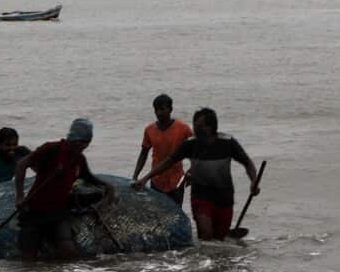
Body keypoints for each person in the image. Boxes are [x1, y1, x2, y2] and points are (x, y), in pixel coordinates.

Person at [133, 108, 259, 241]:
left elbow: (248, 163)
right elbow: (168, 162)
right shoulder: (190, 144)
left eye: (199, 126)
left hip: (224, 197)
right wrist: (145, 178)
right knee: (206, 235)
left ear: (211, 127)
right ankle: (203, 261)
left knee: (220, 239)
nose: (195, 129)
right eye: (195, 125)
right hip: (200, 196)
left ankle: (221, 261)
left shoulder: (227, 142)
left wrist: (254, 182)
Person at [13, 118, 116, 260]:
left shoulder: (79, 159)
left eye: (87, 142)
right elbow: (21, 165)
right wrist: (20, 196)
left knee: (69, 252)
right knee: (29, 258)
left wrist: (107, 185)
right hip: (35, 211)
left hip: (58, 212)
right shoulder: (52, 149)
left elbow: (88, 177)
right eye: (81, 142)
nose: (84, 146)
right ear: (72, 138)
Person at [131, 94, 194, 207]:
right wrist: (135, 176)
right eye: (156, 110)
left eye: (162, 109)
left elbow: (197, 150)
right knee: (158, 214)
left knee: (176, 214)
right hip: (156, 180)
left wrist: (192, 170)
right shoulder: (149, 130)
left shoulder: (183, 128)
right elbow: (143, 153)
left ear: (170, 109)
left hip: (177, 181)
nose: (159, 113)